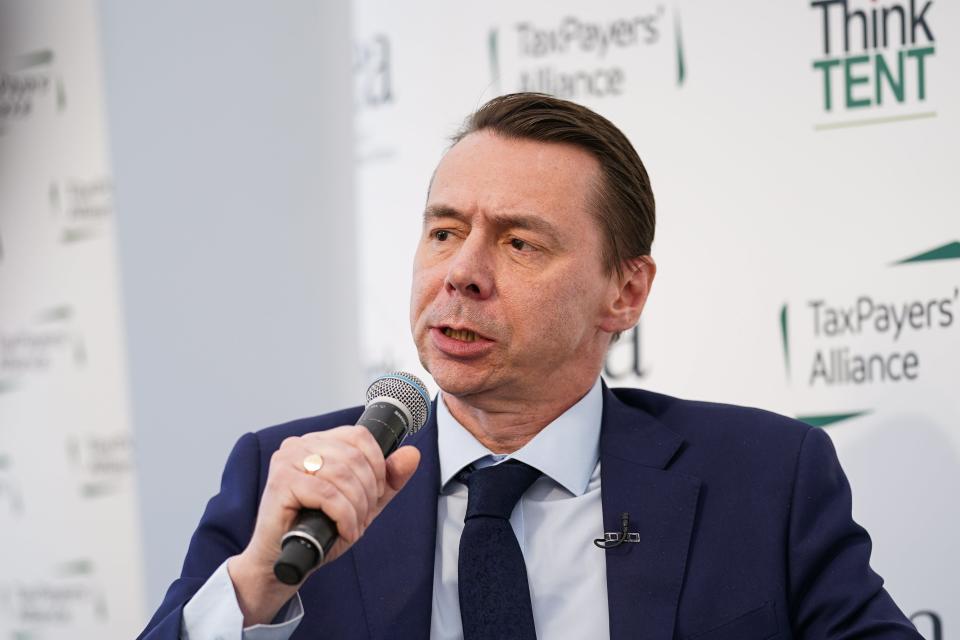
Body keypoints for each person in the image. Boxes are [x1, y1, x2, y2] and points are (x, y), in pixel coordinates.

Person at [139, 93, 922, 640]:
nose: (463, 274)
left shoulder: (764, 479)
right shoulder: (290, 486)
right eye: (445, 232)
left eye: (520, 243)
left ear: (625, 290)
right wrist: (255, 590)